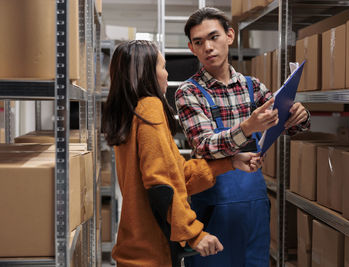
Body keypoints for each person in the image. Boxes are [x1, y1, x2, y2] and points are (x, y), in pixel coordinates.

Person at [101, 40, 263, 267]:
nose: (167, 75)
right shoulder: (150, 108)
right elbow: (162, 185)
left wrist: (231, 162)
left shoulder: (130, 113)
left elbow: (177, 173)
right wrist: (194, 233)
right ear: (147, 72)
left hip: (136, 250)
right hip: (151, 255)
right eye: (162, 67)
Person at [175, 7, 311, 267]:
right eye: (199, 42)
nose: (208, 47)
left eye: (214, 37)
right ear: (192, 48)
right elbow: (204, 146)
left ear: (229, 36)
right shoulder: (188, 92)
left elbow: (289, 126)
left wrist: (299, 114)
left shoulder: (253, 87)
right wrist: (247, 128)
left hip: (254, 209)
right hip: (212, 208)